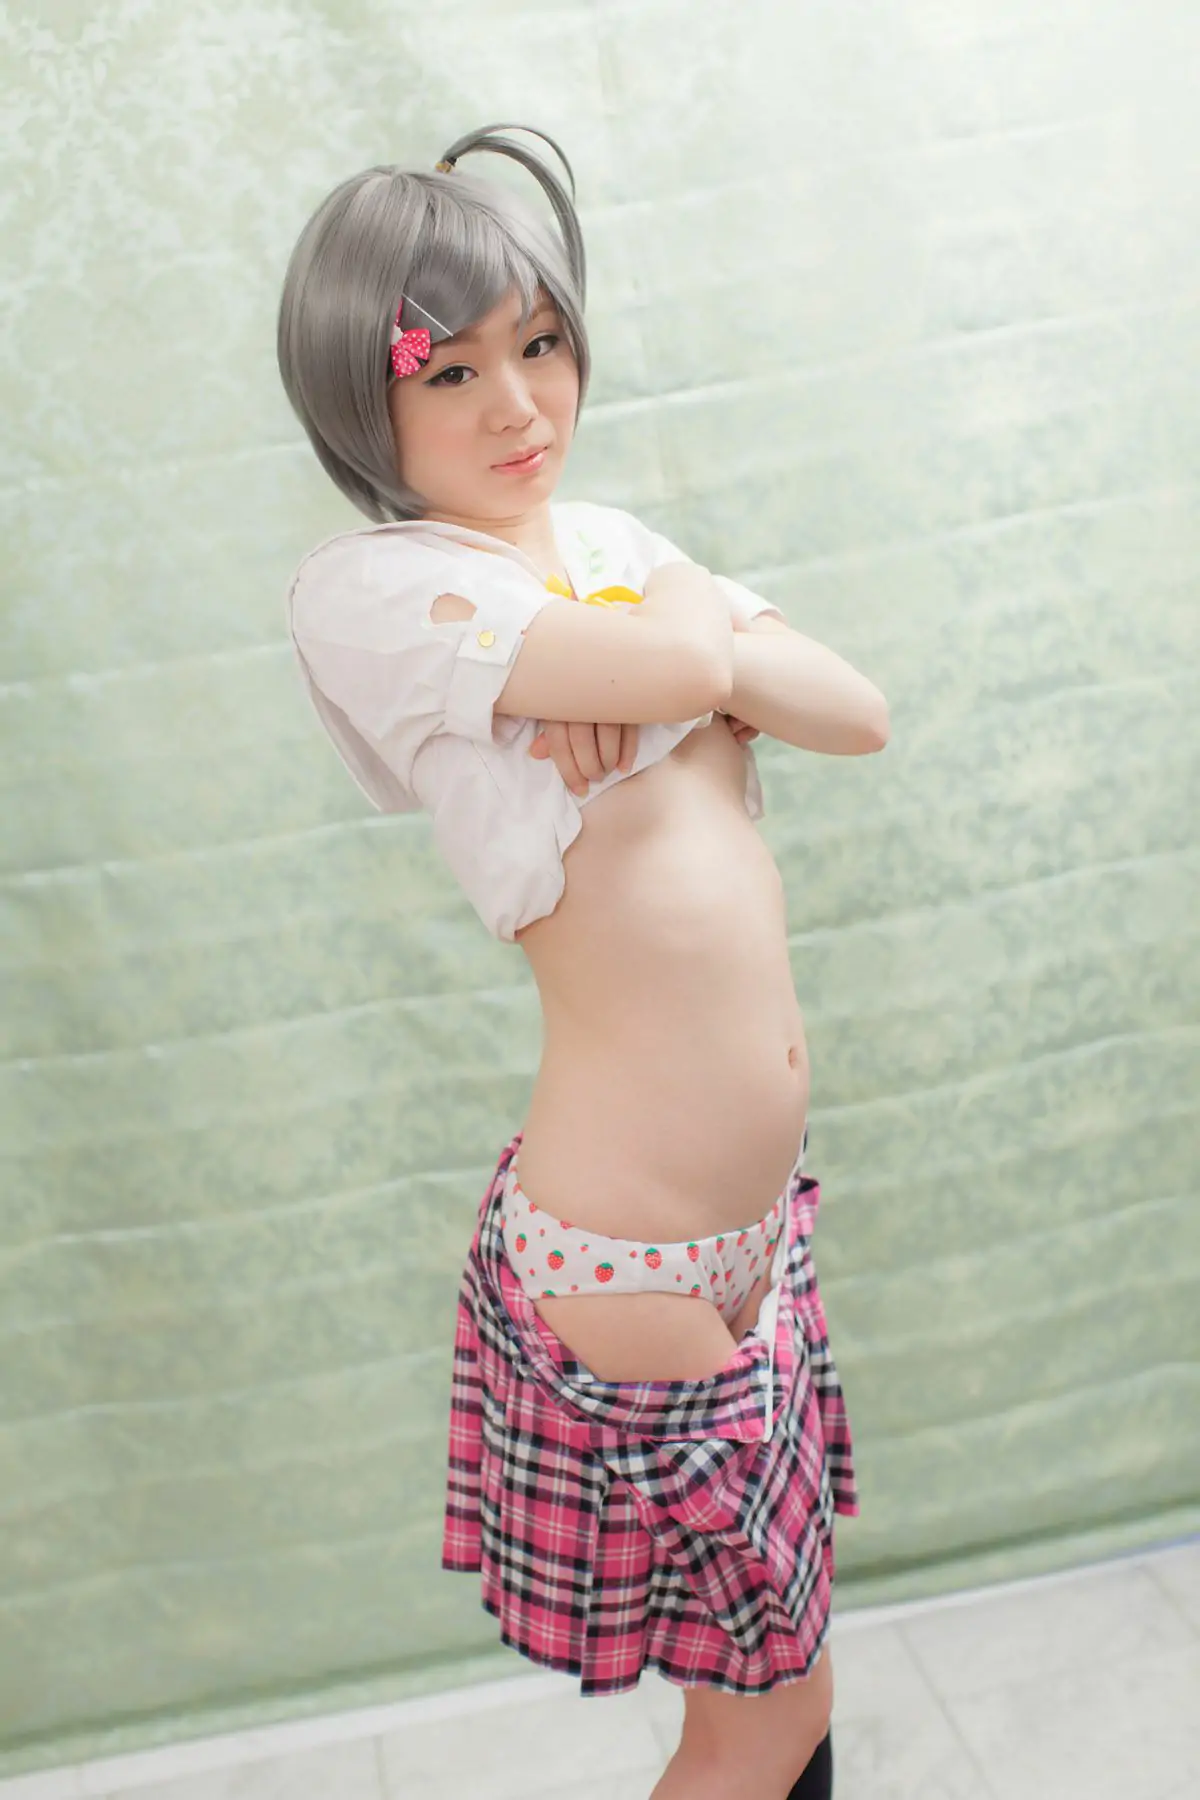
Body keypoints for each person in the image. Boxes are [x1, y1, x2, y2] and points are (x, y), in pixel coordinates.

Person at [277, 121, 888, 1800]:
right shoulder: (375, 587)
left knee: (781, 1700)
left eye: (540, 344)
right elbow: (708, 666)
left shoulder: (615, 551)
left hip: (750, 1239)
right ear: (360, 406)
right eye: (451, 372)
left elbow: (855, 711)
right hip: (621, 1251)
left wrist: (652, 631)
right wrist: (691, 646)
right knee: (767, 1716)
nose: (517, 404)